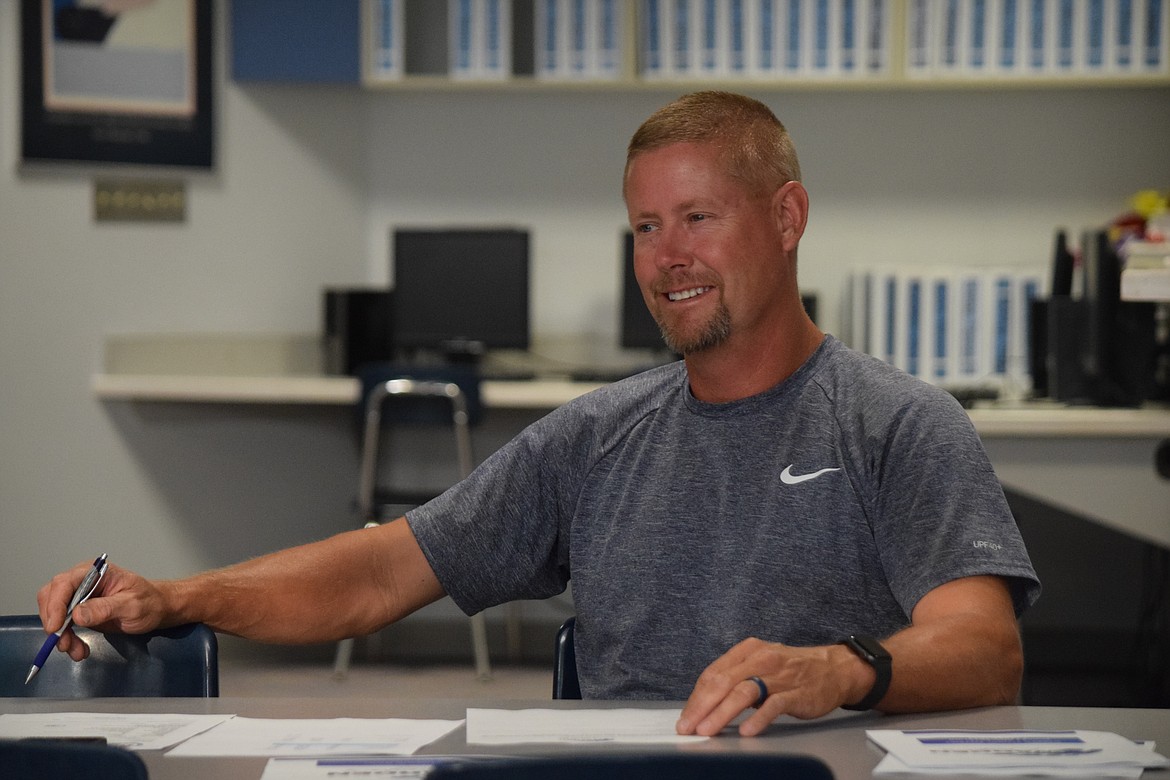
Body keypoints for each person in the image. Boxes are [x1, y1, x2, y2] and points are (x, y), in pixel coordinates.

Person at [39, 91, 1040, 737]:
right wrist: (179, 597)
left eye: (699, 217)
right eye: (647, 227)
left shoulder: (897, 424)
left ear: (787, 218)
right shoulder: (596, 436)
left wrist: (837, 671)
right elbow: (386, 567)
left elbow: (986, 651)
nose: (667, 255)